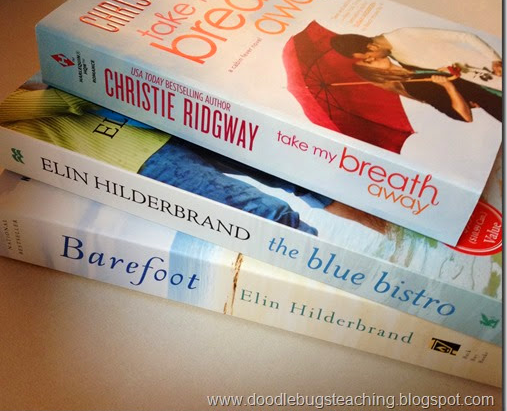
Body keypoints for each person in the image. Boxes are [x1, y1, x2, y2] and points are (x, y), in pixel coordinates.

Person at [0, 77, 388, 235]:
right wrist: (63, 85)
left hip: (161, 126)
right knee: (264, 213)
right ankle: (357, 280)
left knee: (290, 172)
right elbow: (63, 97)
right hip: (138, 160)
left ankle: (388, 228)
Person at [330, 27, 502, 93]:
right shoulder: (396, 57)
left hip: (489, 66)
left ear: (372, 47)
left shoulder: (404, 35)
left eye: (367, 57)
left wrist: (494, 59)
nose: (370, 60)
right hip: (483, 82)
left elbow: (464, 36)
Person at [351, 54, 502, 122]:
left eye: (368, 57)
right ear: (376, 74)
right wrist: (448, 86)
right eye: (369, 62)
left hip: (494, 86)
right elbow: (464, 116)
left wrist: (450, 72)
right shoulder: (413, 87)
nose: (373, 57)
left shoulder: (410, 67)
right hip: (496, 101)